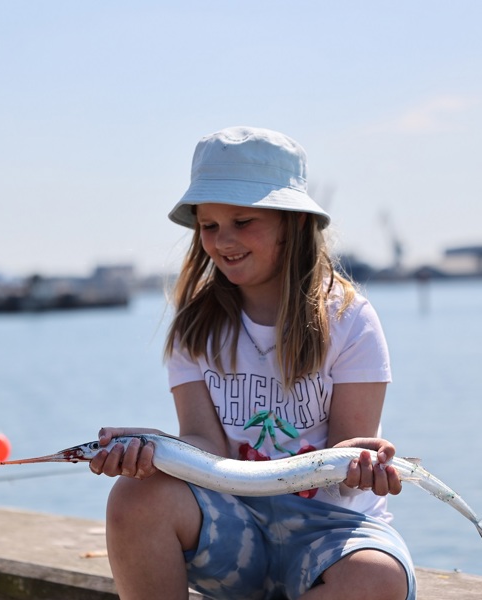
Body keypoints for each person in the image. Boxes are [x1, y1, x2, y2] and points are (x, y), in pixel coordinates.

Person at [90, 126, 416, 600]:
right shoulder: (194, 327)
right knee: (133, 498)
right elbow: (204, 442)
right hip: (235, 521)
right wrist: (155, 451)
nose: (224, 241)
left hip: (334, 530)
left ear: (295, 224)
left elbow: (348, 448)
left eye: (243, 222)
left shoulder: (351, 319)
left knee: (378, 579)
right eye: (209, 226)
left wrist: (364, 463)